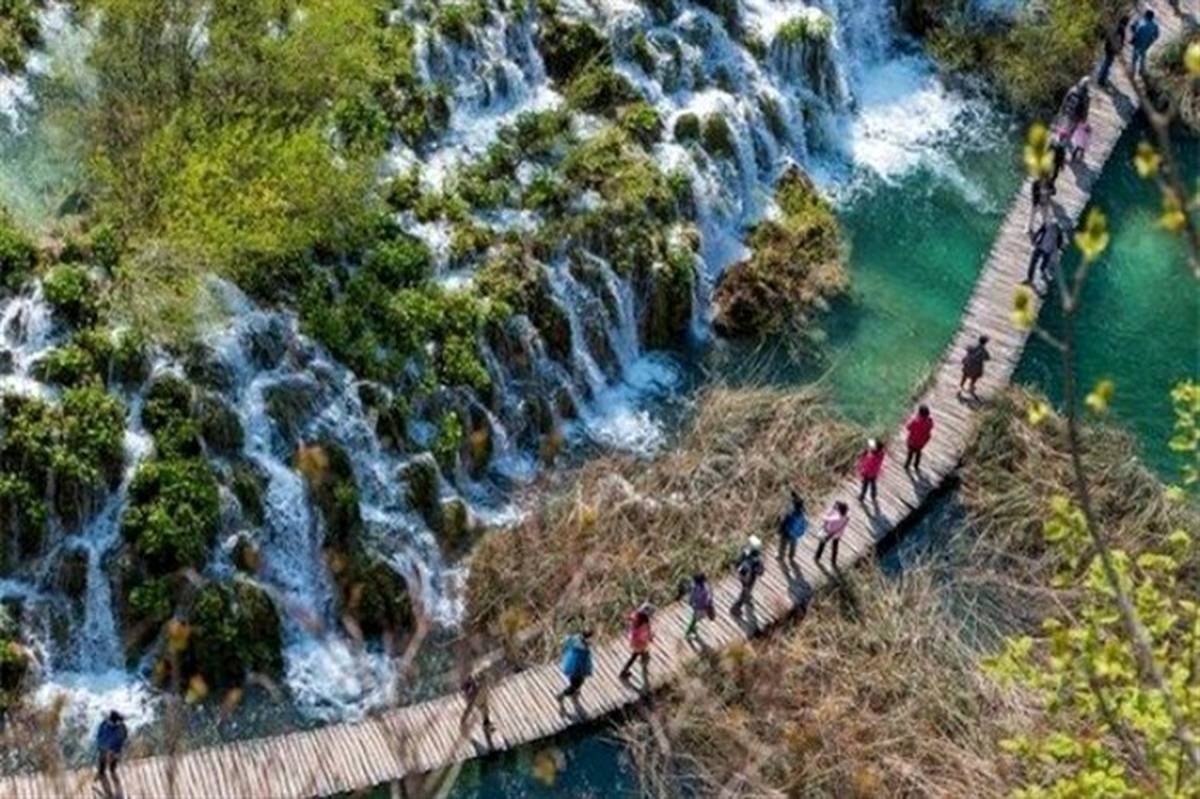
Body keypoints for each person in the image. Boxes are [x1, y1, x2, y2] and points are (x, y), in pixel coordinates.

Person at [556, 630, 594, 704]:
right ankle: (562, 695)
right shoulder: (581, 644)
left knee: (579, 681)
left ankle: (574, 692)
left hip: (578, 664)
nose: (591, 640)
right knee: (575, 684)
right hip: (577, 666)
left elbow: (567, 640)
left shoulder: (579, 639)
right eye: (590, 638)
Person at [1025, 217, 1066, 287]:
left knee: (1041, 266)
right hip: (1040, 247)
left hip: (1047, 250)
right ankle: (1030, 279)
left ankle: (1043, 278)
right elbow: (1040, 231)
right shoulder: (1048, 225)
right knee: (1033, 263)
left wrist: (1060, 249)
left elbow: (1059, 242)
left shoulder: (1059, 231)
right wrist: (1034, 238)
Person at [618, 604, 654, 682]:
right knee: (642, 656)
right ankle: (644, 676)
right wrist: (650, 638)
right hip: (640, 643)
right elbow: (644, 635)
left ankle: (624, 671)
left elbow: (630, 618)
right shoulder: (644, 625)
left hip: (634, 641)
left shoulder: (636, 617)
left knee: (634, 656)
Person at [730, 536, 765, 616]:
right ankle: (735, 608)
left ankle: (747, 596)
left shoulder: (745, 551)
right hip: (749, 577)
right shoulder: (756, 560)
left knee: (746, 589)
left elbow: (738, 562)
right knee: (745, 592)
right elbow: (759, 571)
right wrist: (759, 569)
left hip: (742, 574)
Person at [814, 501, 849, 571]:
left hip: (829, 533)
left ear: (839, 510)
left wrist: (831, 510)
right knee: (835, 547)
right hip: (838, 534)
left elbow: (825, 518)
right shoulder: (846, 518)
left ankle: (817, 557)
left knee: (822, 544)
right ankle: (833, 561)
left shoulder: (836, 517)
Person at [459, 673, 495, 738]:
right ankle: (487, 726)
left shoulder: (479, 686)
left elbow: (469, 706)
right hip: (477, 698)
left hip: (480, 698)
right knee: (483, 710)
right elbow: (469, 705)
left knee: (485, 712)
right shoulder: (475, 687)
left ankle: (487, 726)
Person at [95, 710, 127, 782]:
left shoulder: (121, 727)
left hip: (115, 747)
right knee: (102, 759)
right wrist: (106, 749)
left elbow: (123, 737)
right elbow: (99, 737)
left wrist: (115, 750)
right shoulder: (104, 725)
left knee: (114, 760)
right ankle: (101, 773)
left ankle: (112, 771)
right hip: (104, 746)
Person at [777, 489, 808, 563]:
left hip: (787, 531)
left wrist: (779, 529)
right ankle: (791, 556)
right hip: (796, 532)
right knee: (793, 544)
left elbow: (783, 521)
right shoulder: (802, 511)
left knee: (783, 544)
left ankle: (781, 556)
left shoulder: (790, 512)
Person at [1098, 15, 1129, 88]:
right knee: (1107, 64)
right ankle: (1101, 80)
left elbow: (1106, 33)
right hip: (1113, 49)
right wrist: (1119, 50)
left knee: (1105, 61)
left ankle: (1100, 74)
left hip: (1107, 46)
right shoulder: (1122, 30)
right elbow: (1121, 42)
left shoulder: (1115, 25)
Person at [684, 573, 715, 641]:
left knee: (695, 618)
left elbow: (692, 595)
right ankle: (688, 633)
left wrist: (691, 602)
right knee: (695, 619)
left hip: (696, 606)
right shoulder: (702, 589)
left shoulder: (695, 586)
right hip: (701, 607)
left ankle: (693, 629)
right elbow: (706, 598)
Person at [904, 405, 934, 471]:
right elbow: (931, 427)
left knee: (910, 454)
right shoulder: (929, 423)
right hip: (921, 443)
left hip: (911, 442)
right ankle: (916, 466)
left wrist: (915, 418)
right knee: (918, 453)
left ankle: (907, 465)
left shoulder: (915, 421)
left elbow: (908, 427)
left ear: (919, 413)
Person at [1130, 10, 1160, 75]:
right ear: (1152, 17)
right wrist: (1151, 40)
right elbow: (1156, 35)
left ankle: (1133, 71)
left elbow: (1132, 27)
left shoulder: (1141, 21)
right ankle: (1141, 70)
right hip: (1146, 43)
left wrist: (1134, 34)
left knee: (1135, 57)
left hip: (1138, 41)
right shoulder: (1154, 25)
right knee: (1142, 56)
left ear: (1146, 15)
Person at [857, 439, 885, 503]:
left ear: (876, 448)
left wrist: (863, 471)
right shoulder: (880, 454)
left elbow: (867, 464)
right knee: (873, 484)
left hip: (868, 474)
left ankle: (862, 496)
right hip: (874, 473)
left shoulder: (873, 456)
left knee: (865, 485)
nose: (871, 447)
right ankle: (873, 495)